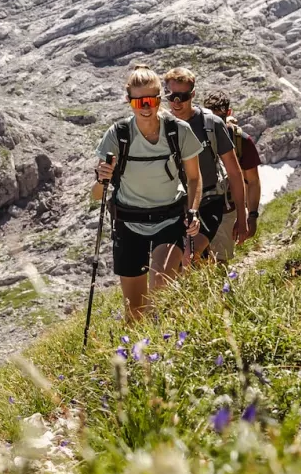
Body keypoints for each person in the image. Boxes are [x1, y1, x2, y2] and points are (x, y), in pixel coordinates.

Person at [92, 65, 202, 320]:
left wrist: (194, 211)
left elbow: (195, 178)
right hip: (128, 224)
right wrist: (101, 178)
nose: (145, 106)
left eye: (151, 99)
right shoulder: (118, 135)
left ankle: (164, 347)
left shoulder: (178, 131)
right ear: (130, 101)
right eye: (139, 101)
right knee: (134, 311)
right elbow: (97, 194)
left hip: (170, 220)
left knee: (160, 288)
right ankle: (137, 356)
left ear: (159, 99)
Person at [161, 67, 248, 261]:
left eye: (182, 97)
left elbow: (234, 173)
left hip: (210, 202)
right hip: (176, 207)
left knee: (189, 257)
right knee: (182, 264)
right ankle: (202, 290)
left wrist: (242, 218)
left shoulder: (211, 124)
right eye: (171, 96)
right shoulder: (161, 127)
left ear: (192, 94)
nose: (176, 102)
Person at [204, 92, 263, 253]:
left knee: (219, 261)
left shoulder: (242, 141)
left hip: (227, 211)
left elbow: (253, 182)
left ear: (228, 113)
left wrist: (251, 216)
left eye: (220, 117)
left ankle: (220, 278)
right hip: (200, 209)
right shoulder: (192, 136)